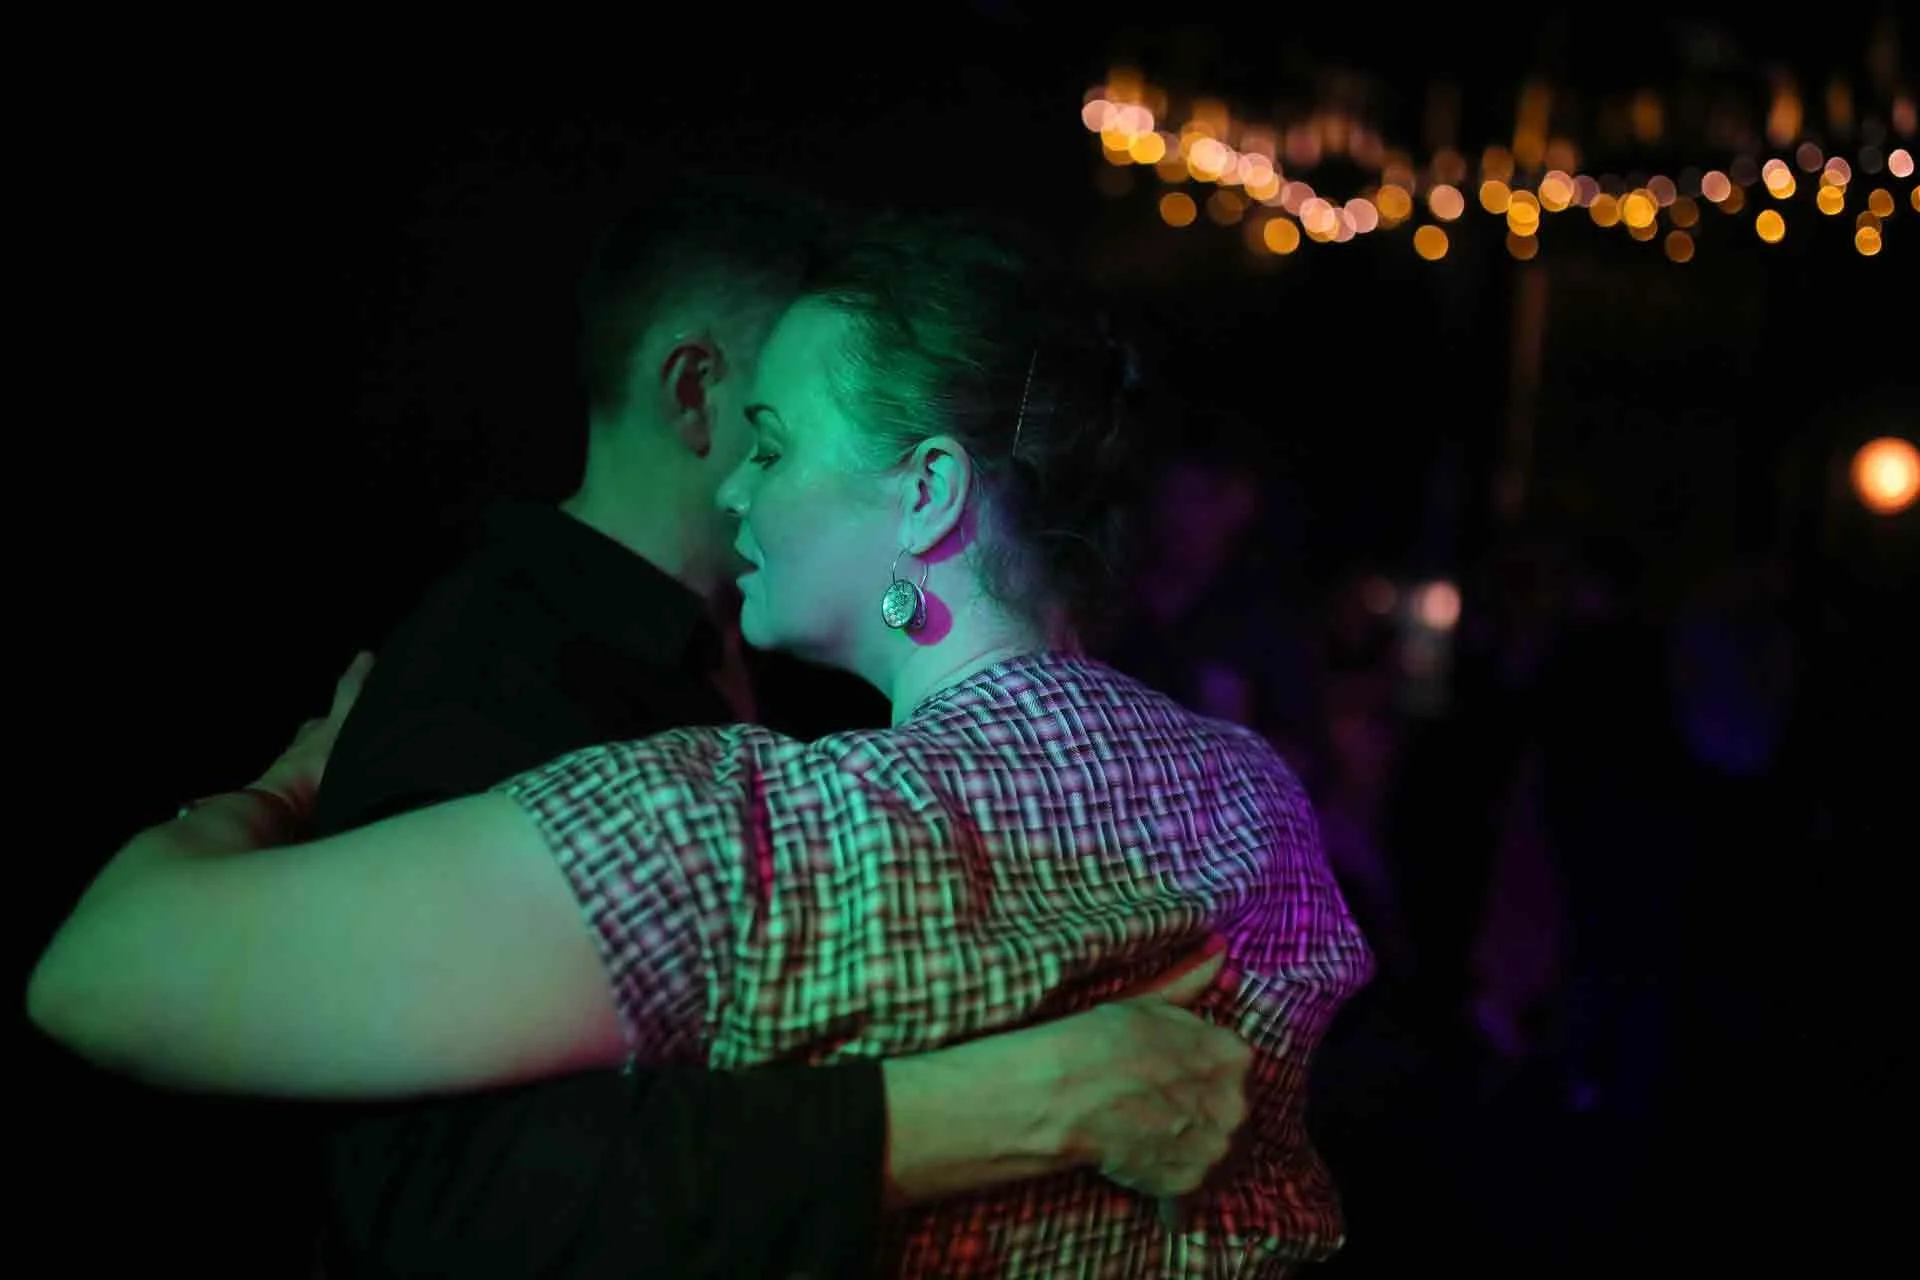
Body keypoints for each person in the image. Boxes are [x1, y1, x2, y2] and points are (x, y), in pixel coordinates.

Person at [29, 208, 1372, 1274]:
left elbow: (94, 977)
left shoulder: (752, 833)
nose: (735, 483)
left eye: (775, 446)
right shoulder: (1257, 807)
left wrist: (278, 787)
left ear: (926, 494)